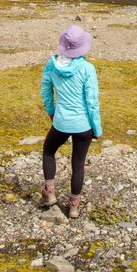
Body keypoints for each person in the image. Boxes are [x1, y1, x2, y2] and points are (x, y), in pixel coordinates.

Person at [39, 24, 102, 219]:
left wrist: (52, 112)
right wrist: (97, 129)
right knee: (78, 164)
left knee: (49, 151)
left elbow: (45, 91)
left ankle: (49, 193)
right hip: (83, 126)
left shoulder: (51, 65)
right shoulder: (87, 68)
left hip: (61, 122)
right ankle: (73, 206)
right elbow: (92, 102)